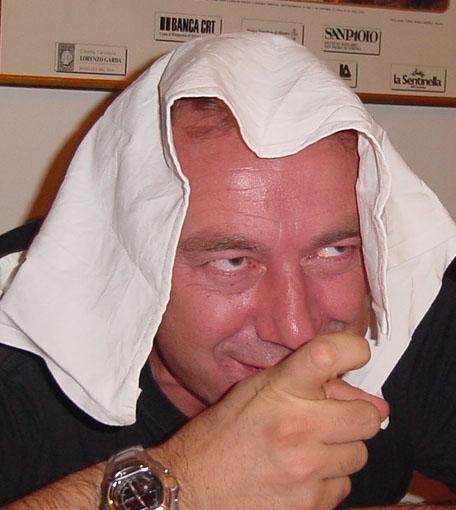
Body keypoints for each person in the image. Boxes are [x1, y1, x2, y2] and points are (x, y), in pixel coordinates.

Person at [0, 32, 455, 509]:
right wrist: (188, 482)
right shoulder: (19, 357)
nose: (297, 330)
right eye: (232, 262)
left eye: (335, 250)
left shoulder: (402, 303)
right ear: (131, 257)